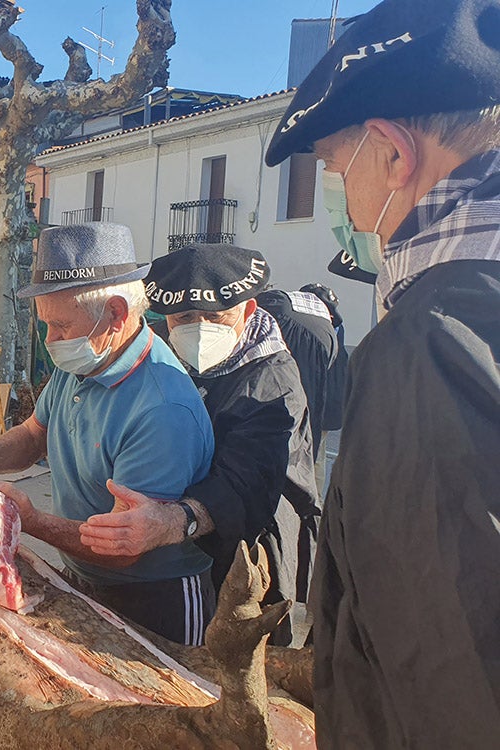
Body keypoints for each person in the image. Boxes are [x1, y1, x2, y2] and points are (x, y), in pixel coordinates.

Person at [264, 0, 500, 746]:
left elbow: (449, 678)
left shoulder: (427, 346)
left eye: (335, 167)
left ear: (394, 156)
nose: (341, 195)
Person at [0, 222, 216, 645]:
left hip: (154, 596)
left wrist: (29, 521)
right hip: (82, 573)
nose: (51, 341)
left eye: (61, 327)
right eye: (46, 325)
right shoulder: (83, 361)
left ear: (115, 314)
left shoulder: (163, 409)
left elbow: (121, 547)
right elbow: (35, 434)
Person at [82, 244, 320, 646]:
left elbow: (243, 482)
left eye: (216, 316)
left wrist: (176, 521)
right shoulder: (163, 352)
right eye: (186, 317)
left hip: (254, 542)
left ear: (247, 311)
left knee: (241, 656)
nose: (200, 328)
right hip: (181, 553)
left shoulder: (272, 380)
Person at [256, 287, 338, 492]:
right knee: (311, 457)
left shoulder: (279, 306)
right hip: (316, 408)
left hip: (280, 401)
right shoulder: (328, 326)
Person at [298, 282, 349, 490]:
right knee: (317, 456)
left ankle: (314, 508)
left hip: (319, 406)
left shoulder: (314, 329)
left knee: (313, 458)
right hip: (329, 406)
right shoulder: (335, 327)